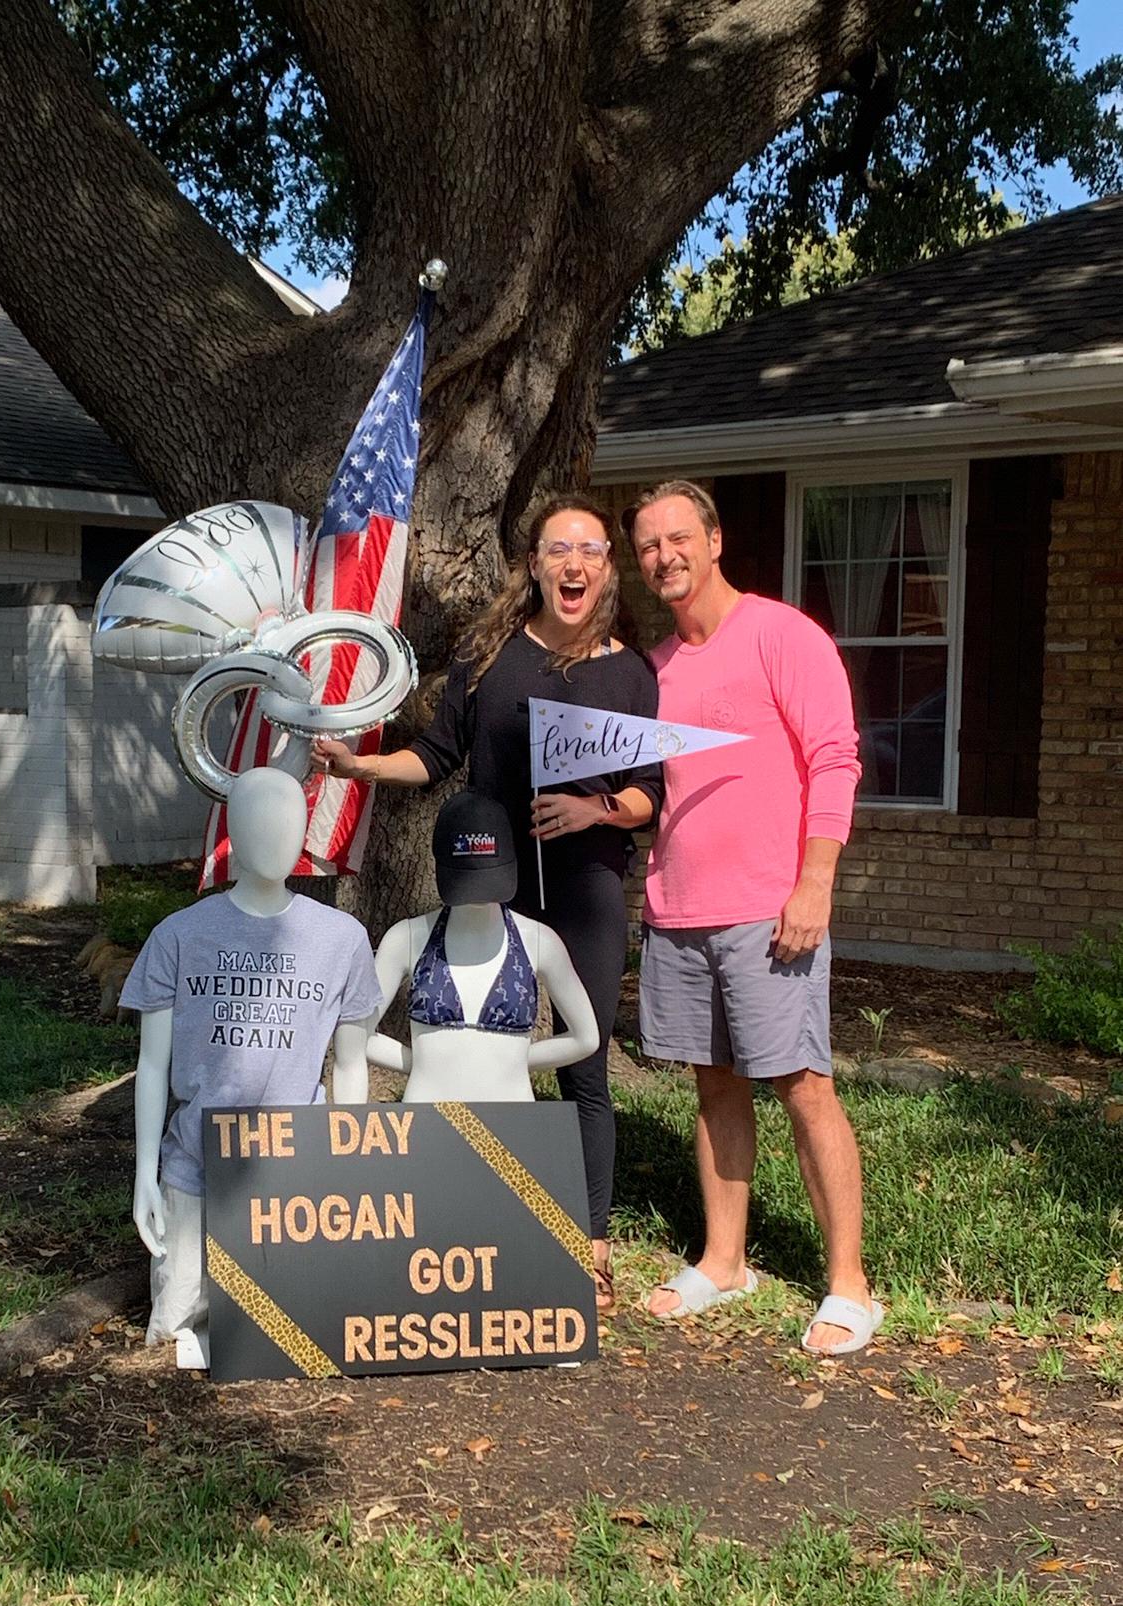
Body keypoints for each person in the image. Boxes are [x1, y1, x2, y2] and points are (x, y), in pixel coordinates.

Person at [314, 493, 661, 1314]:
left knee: (585, 1069)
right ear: (533, 565)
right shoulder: (489, 657)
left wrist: (594, 810)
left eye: (591, 549)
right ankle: (465, 1227)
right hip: (489, 887)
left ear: (607, 568)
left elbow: (650, 792)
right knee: (461, 1050)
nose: (574, 563)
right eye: (557, 549)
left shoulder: (631, 671)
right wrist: (361, 769)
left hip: (584, 886)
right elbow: (435, 756)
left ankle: (589, 1245)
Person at [627, 479, 880, 1356]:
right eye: (650, 544)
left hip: (771, 910)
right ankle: (725, 1261)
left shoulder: (782, 635)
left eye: (679, 537)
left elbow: (835, 759)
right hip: (679, 911)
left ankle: (851, 1284)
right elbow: (654, 794)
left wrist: (815, 884)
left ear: (716, 539)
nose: (665, 555)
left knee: (804, 1085)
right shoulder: (654, 671)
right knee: (712, 1084)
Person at [120, 766, 382, 1369]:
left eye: (290, 820)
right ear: (232, 829)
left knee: (296, 1327)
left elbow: (350, 1065)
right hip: (197, 1166)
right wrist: (146, 1173)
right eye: (259, 819)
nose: (277, 836)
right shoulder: (179, 936)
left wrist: (351, 1159)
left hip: (296, 1168)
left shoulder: (341, 938)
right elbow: (152, 1065)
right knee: (177, 1330)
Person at [367, 789, 600, 1106]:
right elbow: (356, 1034)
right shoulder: (406, 938)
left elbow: (587, 1038)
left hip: (510, 1125)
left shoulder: (540, 941)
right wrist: (421, 1064)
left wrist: (516, 1061)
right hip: (426, 1122)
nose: (478, 894)